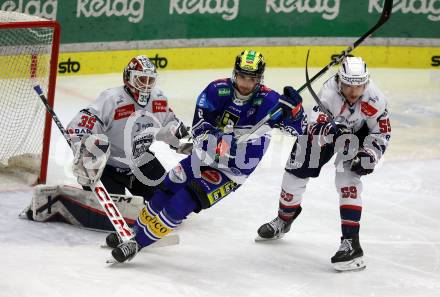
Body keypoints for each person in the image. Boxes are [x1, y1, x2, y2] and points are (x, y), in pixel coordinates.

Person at [102, 50, 307, 263]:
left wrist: (296, 113)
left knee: (185, 200)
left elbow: (300, 131)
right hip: (203, 156)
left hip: (232, 170)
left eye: (252, 79)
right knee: (167, 185)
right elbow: (199, 126)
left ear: (260, 79)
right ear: (234, 73)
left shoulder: (271, 101)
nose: (246, 84)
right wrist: (216, 140)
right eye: (242, 77)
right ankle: (136, 229)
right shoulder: (216, 90)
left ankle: (137, 243)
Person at [22, 55, 190, 231]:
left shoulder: (158, 99)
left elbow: (171, 122)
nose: (146, 85)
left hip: (141, 162)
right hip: (107, 168)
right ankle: (60, 202)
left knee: (172, 201)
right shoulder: (112, 99)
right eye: (141, 79)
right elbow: (81, 124)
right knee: (107, 215)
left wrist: (179, 138)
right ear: (129, 78)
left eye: (150, 80)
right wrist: (85, 150)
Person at [256, 57, 391, 272]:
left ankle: (351, 245)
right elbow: (312, 126)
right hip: (329, 134)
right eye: (349, 86)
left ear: (366, 83)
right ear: (339, 81)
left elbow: (381, 132)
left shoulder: (375, 99)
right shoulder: (328, 92)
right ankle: (284, 219)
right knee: (294, 173)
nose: (354, 92)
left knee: (347, 180)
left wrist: (369, 155)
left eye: (359, 86)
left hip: (358, 138)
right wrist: (331, 130)